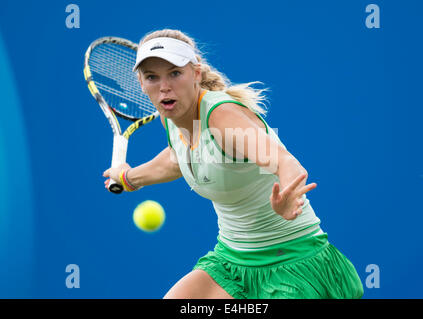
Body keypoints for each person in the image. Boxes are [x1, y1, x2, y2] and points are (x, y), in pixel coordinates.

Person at [103, 29, 364, 299]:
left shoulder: (223, 118)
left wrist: (288, 196)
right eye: (152, 77)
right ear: (141, 83)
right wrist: (128, 177)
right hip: (231, 262)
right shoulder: (172, 118)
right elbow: (176, 158)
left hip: (293, 262)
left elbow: (284, 161)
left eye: (175, 73)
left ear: (196, 73)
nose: (164, 86)